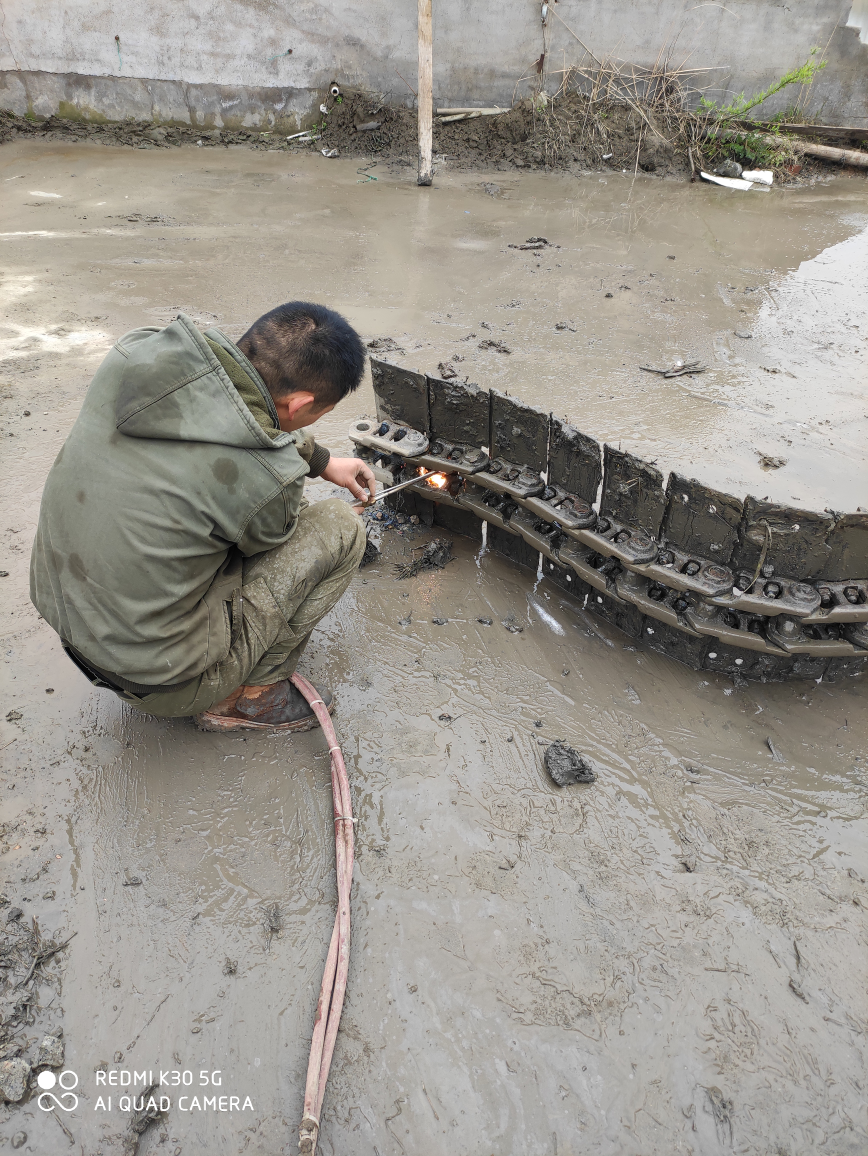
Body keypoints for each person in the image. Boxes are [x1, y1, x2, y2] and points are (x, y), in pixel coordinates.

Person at [30, 303, 376, 733]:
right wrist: (294, 480)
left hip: (70, 622)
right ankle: (251, 698)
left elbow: (236, 404)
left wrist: (321, 459)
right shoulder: (268, 481)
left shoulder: (134, 355)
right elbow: (269, 535)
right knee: (340, 529)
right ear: (301, 403)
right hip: (161, 682)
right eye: (317, 413)